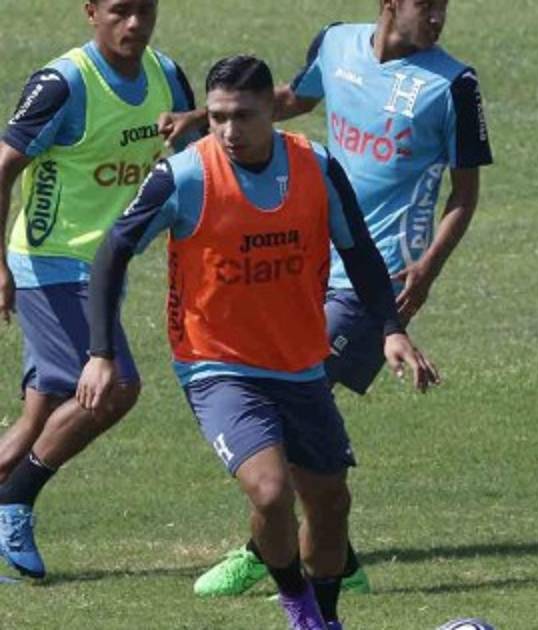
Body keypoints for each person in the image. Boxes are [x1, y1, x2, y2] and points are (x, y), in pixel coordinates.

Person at [78, 55, 438, 630]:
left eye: (242, 116)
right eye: (217, 116)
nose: (228, 130)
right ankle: (298, 606)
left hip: (300, 362)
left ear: (271, 109)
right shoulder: (185, 176)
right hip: (216, 364)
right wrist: (101, 353)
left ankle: (325, 617)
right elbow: (113, 251)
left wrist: (392, 330)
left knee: (330, 502)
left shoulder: (316, 166)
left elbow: (360, 252)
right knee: (270, 493)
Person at [192, 0, 493, 597]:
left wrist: (427, 269)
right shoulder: (335, 44)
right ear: (390, 4)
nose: (437, 17)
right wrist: (202, 118)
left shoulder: (454, 84)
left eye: (443, 5)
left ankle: (266, 552)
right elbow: (289, 100)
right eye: (425, 4)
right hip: (304, 260)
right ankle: (339, 558)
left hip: (375, 276)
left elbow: (464, 193)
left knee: (287, 407)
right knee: (292, 415)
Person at [0, 0, 203, 580]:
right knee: (113, 386)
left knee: (40, 419)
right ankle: (14, 501)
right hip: (51, 264)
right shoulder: (63, 84)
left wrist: (198, 122)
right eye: (120, 10)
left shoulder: (167, 76)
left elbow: (201, 158)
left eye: (145, 9)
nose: (134, 23)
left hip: (104, 269)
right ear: (91, 12)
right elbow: (3, 167)